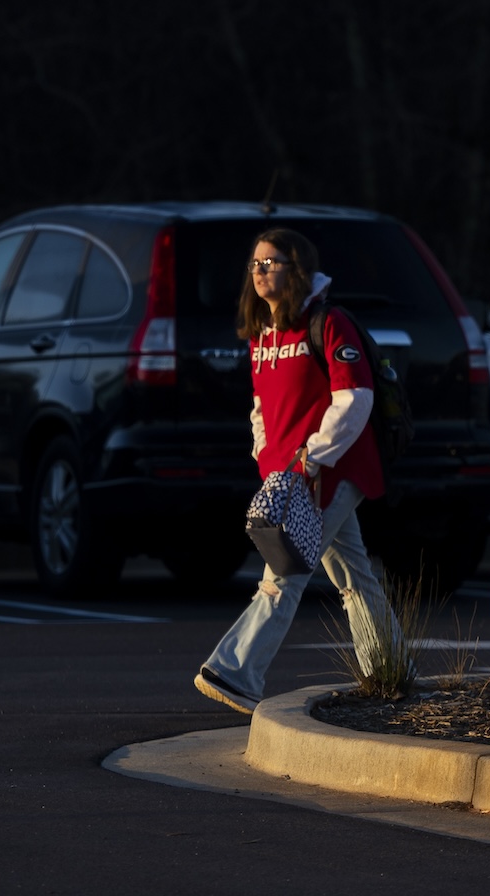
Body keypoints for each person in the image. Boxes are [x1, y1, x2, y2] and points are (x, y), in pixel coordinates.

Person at [194, 227, 397, 713]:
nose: (260, 271)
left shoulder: (329, 323)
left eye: (272, 262)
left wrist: (314, 457)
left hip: (334, 468)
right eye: (255, 264)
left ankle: (237, 672)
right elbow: (261, 408)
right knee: (353, 574)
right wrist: (270, 462)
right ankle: (391, 668)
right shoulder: (263, 333)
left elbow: (355, 399)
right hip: (289, 478)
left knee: (284, 570)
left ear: (298, 268)